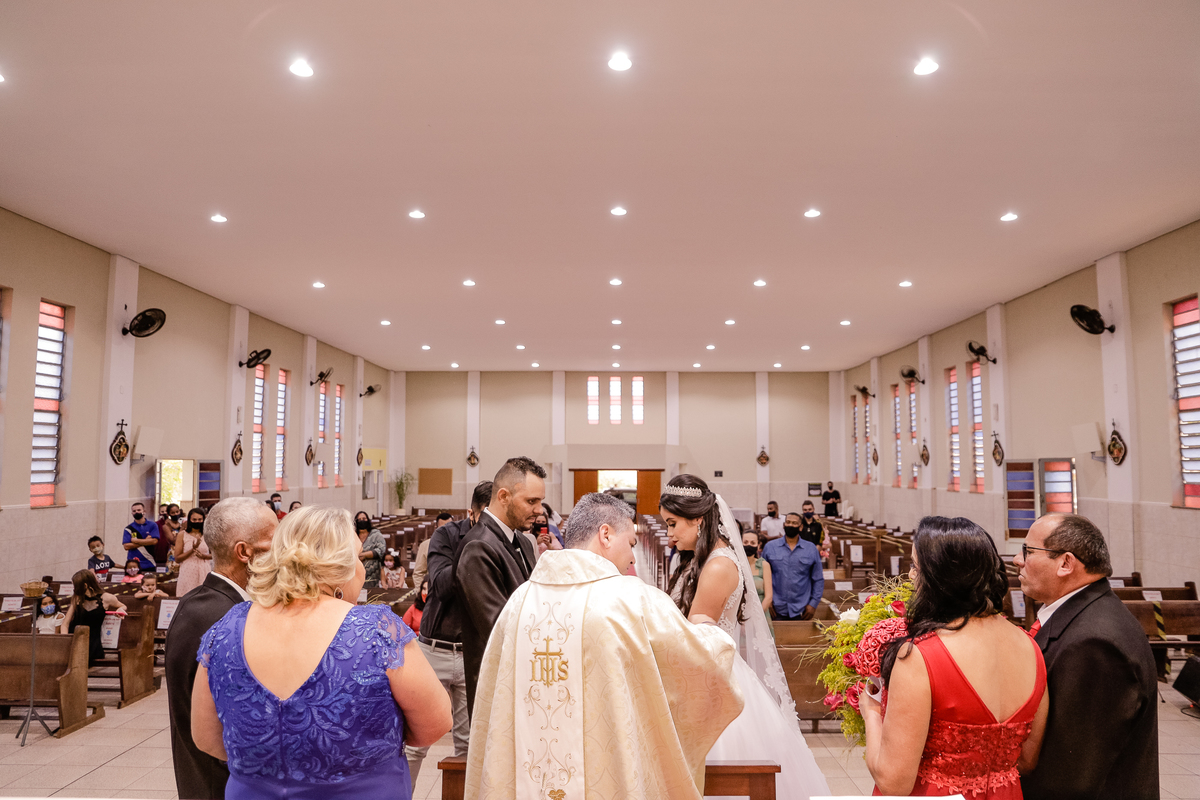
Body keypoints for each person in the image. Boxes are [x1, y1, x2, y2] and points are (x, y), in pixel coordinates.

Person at [467, 491, 744, 799]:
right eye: (631, 544)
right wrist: (710, 631)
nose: (632, 558)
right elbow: (700, 661)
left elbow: (493, 704)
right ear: (606, 534)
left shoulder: (518, 603)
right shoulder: (632, 600)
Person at [190, 505, 451, 799]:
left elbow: (206, 737)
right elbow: (435, 724)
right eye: (356, 557)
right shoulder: (376, 630)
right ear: (339, 567)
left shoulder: (228, 627)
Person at [661, 474, 829, 800]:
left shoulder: (718, 566)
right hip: (711, 674)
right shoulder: (707, 559)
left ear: (697, 519)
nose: (669, 535)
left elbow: (697, 637)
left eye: (672, 524)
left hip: (714, 681)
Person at [861, 516, 1049, 797]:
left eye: (915, 567)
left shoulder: (919, 656)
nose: (911, 576)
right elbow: (1027, 760)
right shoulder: (1031, 647)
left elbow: (894, 782)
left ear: (939, 577)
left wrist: (871, 713)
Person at [1016, 514, 1158, 800]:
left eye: (1028, 551)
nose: (1018, 560)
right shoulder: (1088, 614)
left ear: (1066, 563)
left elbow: (1070, 772)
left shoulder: (1094, 642)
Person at [166, 497, 279, 800]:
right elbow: (229, 720)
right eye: (274, 542)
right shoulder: (220, 615)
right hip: (219, 782)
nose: (283, 553)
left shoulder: (208, 602)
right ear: (244, 552)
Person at [405, 481, 491, 786]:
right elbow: (441, 586)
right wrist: (476, 544)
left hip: (472, 655)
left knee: (468, 745)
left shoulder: (504, 541)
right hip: (435, 650)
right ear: (472, 513)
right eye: (485, 518)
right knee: (416, 744)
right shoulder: (446, 536)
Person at [455, 457, 543, 716]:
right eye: (531, 501)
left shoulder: (523, 542)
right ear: (504, 496)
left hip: (526, 678)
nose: (539, 510)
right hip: (497, 689)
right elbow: (499, 627)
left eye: (540, 501)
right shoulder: (478, 547)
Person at [761, 512, 824, 620]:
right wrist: (766, 601)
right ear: (784, 525)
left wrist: (813, 604)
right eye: (788, 522)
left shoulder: (811, 549)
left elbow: (818, 579)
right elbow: (761, 576)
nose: (790, 525)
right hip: (775, 607)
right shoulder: (770, 547)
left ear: (801, 527)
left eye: (794, 523)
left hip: (802, 608)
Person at [61, 569, 127, 664]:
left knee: (83, 658)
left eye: (76, 586)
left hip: (93, 639)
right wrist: (65, 640)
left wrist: (120, 610)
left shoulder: (106, 598)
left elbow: (123, 606)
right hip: (76, 637)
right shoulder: (77, 598)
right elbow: (65, 624)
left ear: (85, 585)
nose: (74, 589)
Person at [174, 506, 213, 597]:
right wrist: (192, 549)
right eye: (194, 519)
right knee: (187, 597)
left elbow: (215, 554)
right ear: (189, 520)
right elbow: (177, 558)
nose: (197, 522)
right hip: (188, 571)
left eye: (200, 519)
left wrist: (204, 556)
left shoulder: (207, 534)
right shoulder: (182, 535)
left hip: (204, 569)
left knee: (204, 598)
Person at [741, 529, 773, 636]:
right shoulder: (734, 564)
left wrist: (755, 618)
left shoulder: (764, 565)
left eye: (752, 543)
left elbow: (768, 597)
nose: (749, 545)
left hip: (760, 614)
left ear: (758, 545)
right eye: (745, 542)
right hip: (739, 615)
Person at [123, 501, 160, 571]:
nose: (136, 512)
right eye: (134, 511)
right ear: (132, 513)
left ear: (144, 511)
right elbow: (126, 546)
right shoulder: (128, 528)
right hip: (133, 564)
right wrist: (146, 541)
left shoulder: (153, 525)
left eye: (139, 510)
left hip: (149, 562)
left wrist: (135, 541)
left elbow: (154, 541)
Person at [355, 511, 386, 588]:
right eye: (359, 519)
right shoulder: (353, 535)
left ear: (368, 520)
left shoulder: (376, 534)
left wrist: (365, 555)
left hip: (373, 571)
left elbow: (381, 550)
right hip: (355, 572)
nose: (362, 521)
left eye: (364, 519)